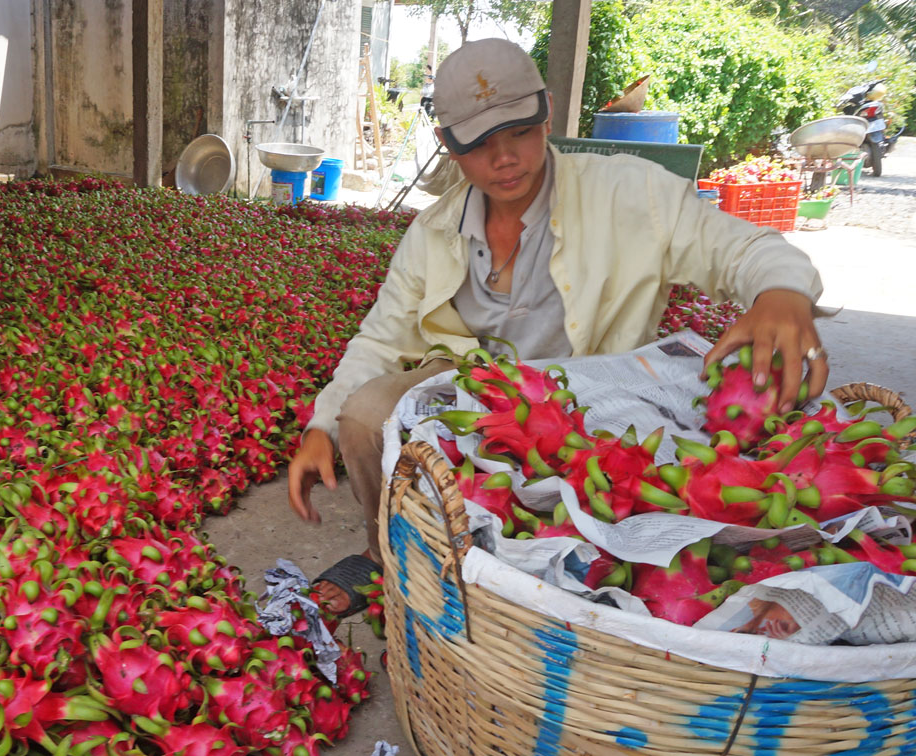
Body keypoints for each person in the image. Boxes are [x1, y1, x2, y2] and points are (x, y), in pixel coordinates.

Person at [288, 38, 827, 616]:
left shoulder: (631, 194)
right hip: (475, 390)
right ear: (448, 145)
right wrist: (324, 422)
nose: (505, 160)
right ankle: (387, 554)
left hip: (594, 394)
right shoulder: (434, 231)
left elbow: (744, 250)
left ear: (545, 113)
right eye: (479, 146)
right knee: (365, 414)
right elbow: (382, 335)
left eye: (519, 132)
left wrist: (781, 293)